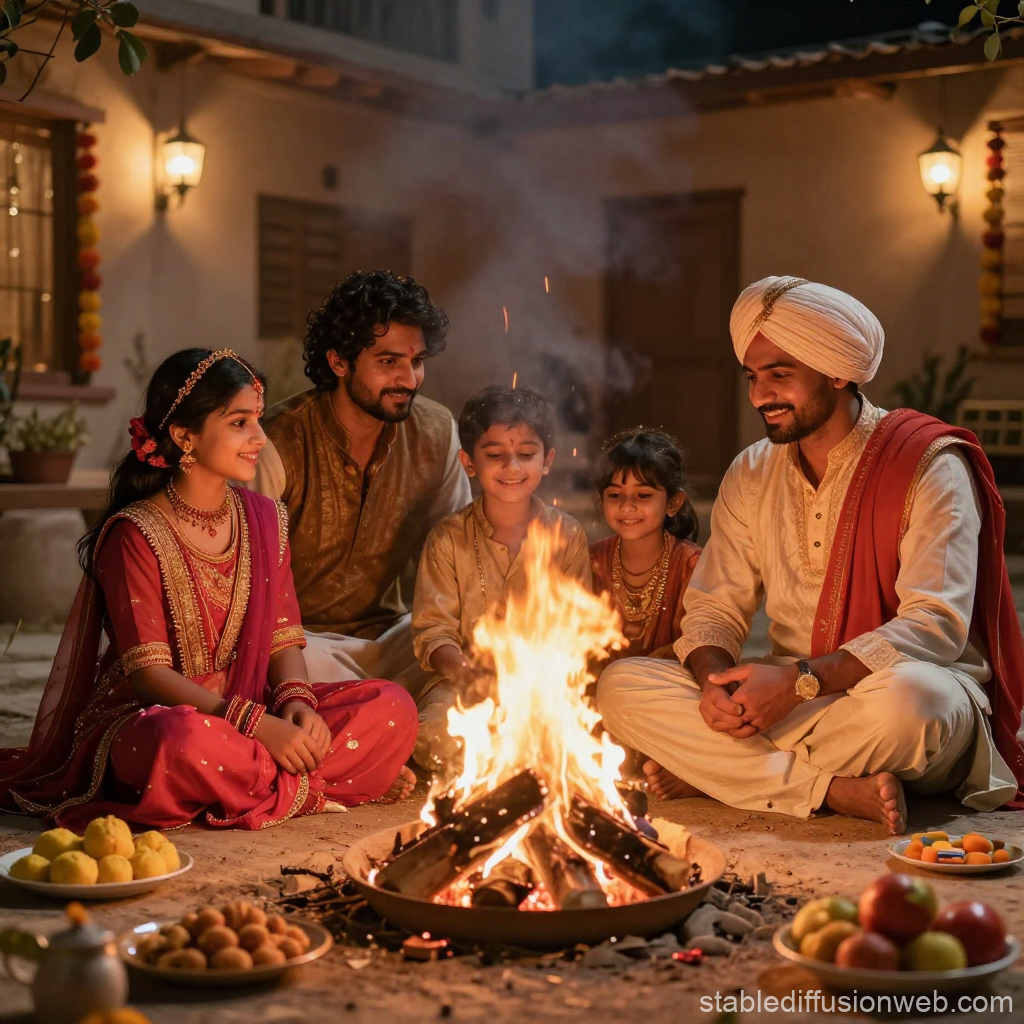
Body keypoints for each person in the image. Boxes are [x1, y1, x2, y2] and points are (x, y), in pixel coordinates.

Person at [598, 276, 1024, 835]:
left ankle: (725, 771)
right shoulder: (751, 471)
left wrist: (797, 684)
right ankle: (830, 789)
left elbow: (935, 625)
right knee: (622, 685)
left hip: (881, 696)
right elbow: (713, 611)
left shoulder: (928, 464)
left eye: (780, 375)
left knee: (916, 706)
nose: (759, 396)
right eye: (753, 377)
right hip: (784, 699)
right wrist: (716, 684)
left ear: (837, 371)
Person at [0, 348, 418, 830]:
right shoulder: (135, 533)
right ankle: (318, 784)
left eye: (258, 420)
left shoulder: (264, 519)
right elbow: (149, 676)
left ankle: (262, 783)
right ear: (183, 435)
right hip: (156, 720)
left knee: (392, 708)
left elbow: (284, 637)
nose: (260, 437)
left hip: (254, 714)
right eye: (240, 423)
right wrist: (256, 725)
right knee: (177, 744)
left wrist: (298, 704)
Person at [251, 270, 471, 699]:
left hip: (392, 641)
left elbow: (455, 565)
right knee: (285, 667)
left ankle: (402, 730)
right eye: (389, 362)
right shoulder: (277, 440)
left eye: (418, 361)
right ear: (338, 361)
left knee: (473, 652)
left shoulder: (437, 432)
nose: (409, 380)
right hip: (300, 648)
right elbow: (250, 584)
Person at [411, 385, 592, 772]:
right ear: (468, 462)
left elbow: (577, 632)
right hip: (462, 685)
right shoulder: (448, 538)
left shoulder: (567, 536)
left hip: (543, 686)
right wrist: (469, 675)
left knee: (579, 735)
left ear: (547, 460)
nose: (512, 467)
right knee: (435, 736)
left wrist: (534, 680)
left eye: (526, 455)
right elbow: (433, 632)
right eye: (495, 455)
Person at [590, 428, 702, 661]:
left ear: (673, 503)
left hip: (667, 688)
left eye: (643, 495)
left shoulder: (692, 566)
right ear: (602, 501)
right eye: (615, 495)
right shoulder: (592, 560)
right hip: (599, 687)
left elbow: (700, 645)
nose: (627, 506)